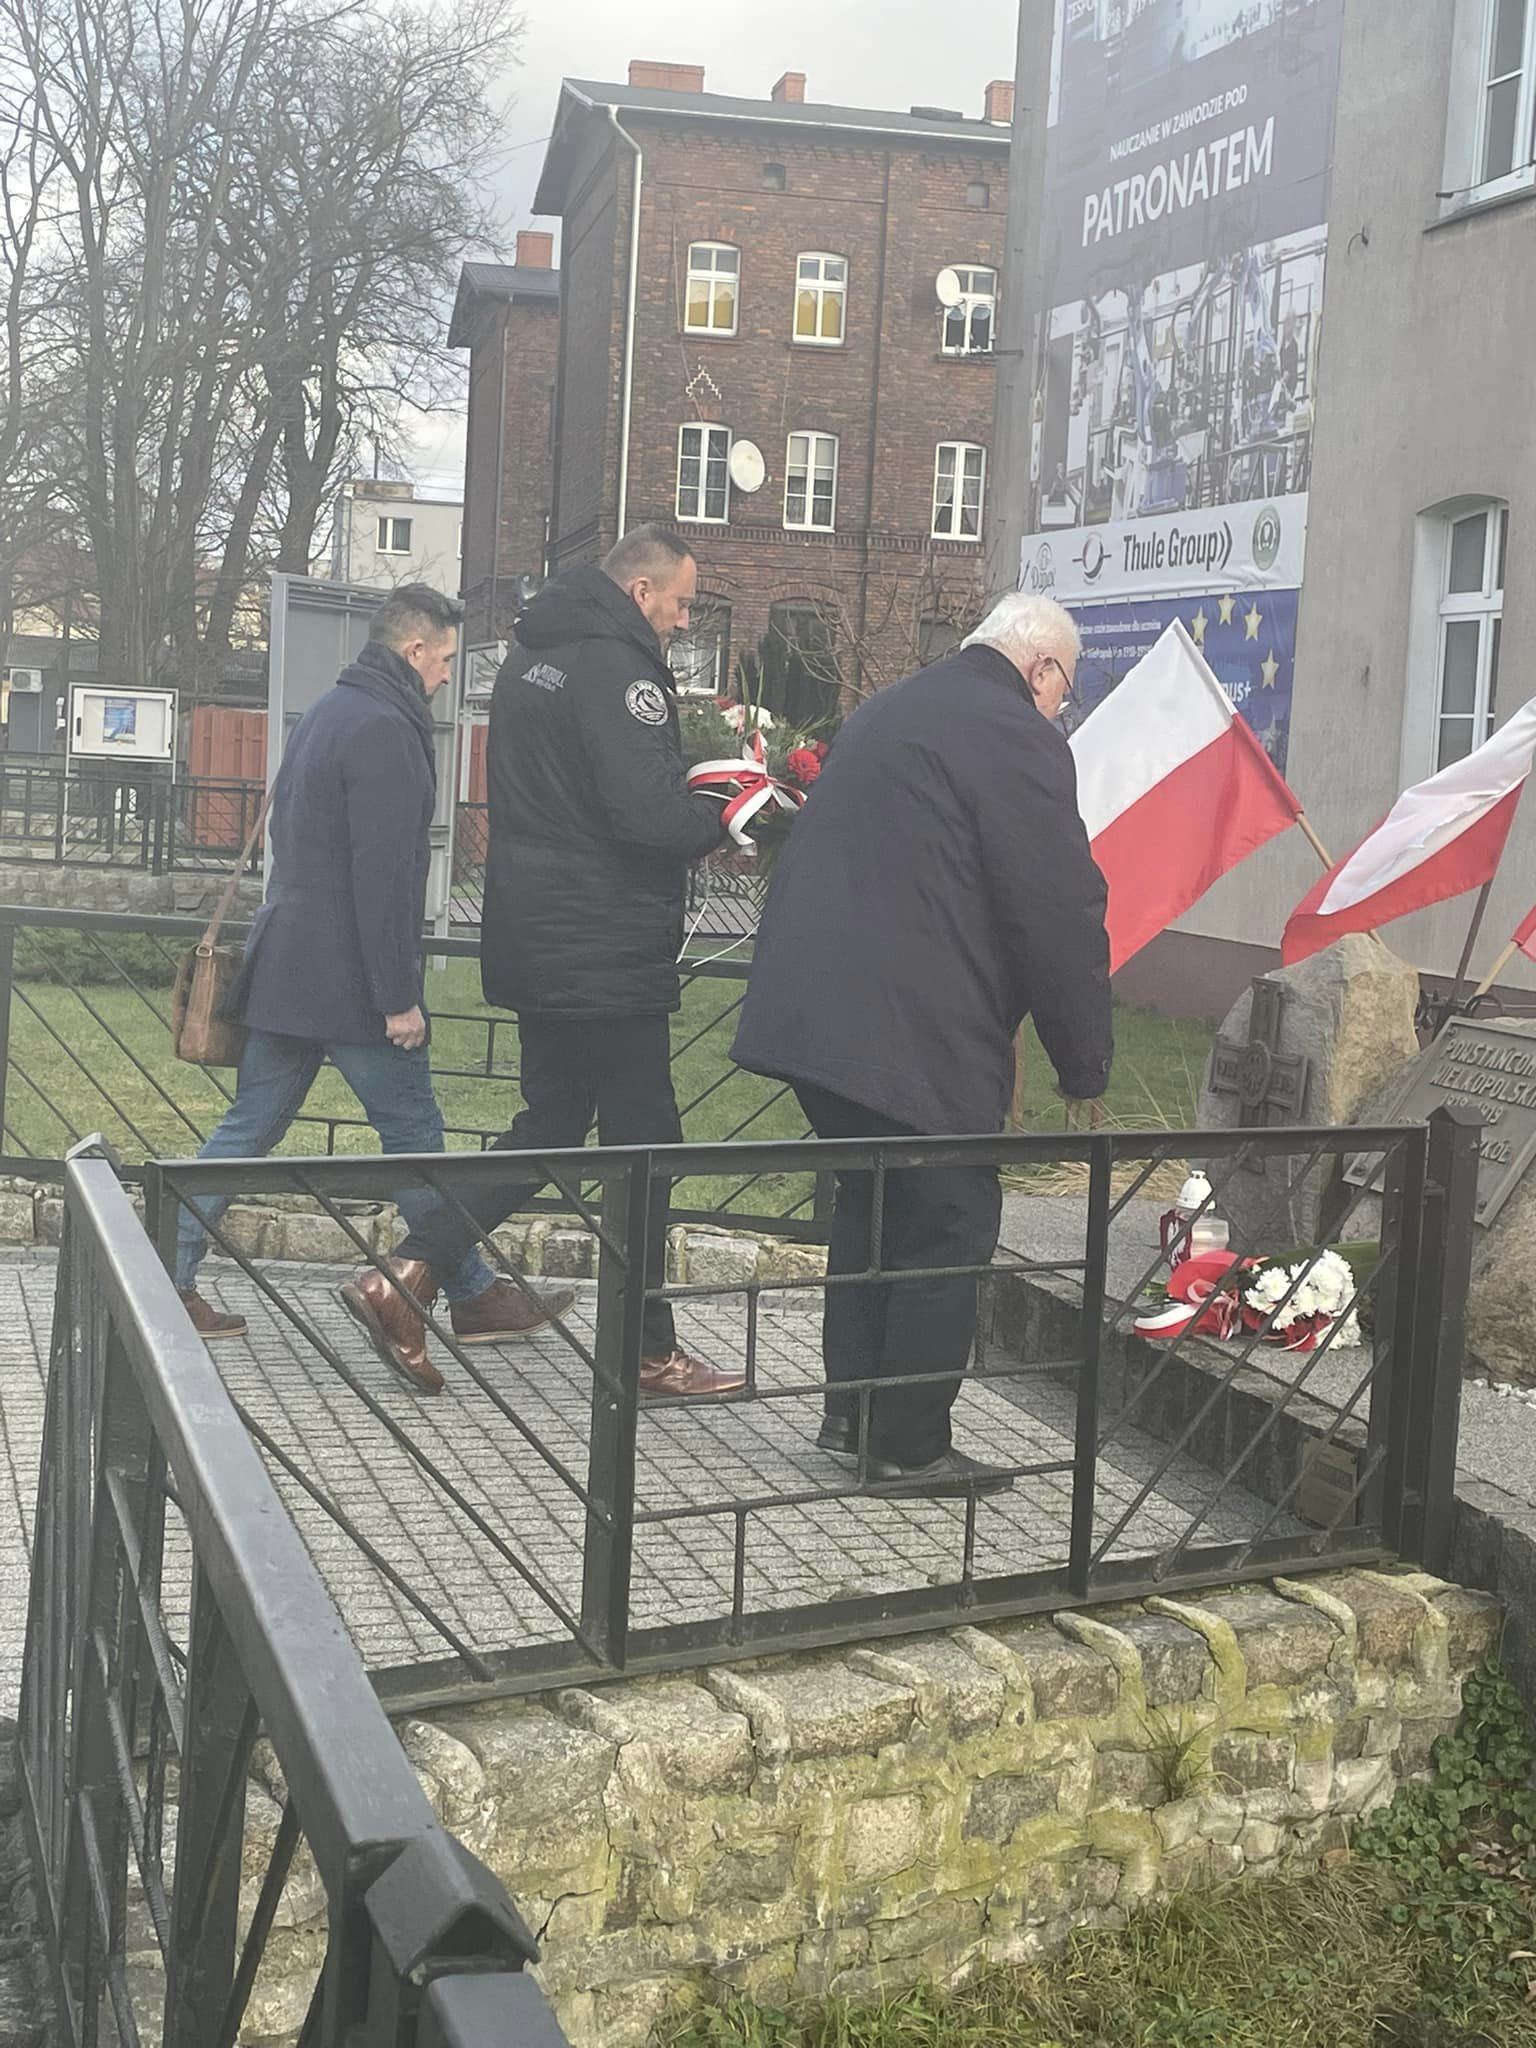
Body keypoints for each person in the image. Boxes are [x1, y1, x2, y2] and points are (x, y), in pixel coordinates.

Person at [341, 527, 745, 1399]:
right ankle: (648, 1354)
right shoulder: (619, 668)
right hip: (605, 946)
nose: (684, 621)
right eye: (680, 604)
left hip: (537, 932)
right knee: (647, 1151)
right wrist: (729, 811)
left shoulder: (531, 656)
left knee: (551, 1125)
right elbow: (645, 815)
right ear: (641, 592)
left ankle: (408, 1275)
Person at [732, 592, 1113, 1494]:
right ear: (1041, 668)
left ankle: (851, 1415)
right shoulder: (1016, 735)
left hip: (817, 1010)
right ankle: (907, 1446)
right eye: (1064, 688)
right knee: (947, 1216)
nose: (1059, 708)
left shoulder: (892, 707)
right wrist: (1083, 1061)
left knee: (870, 1209)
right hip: (913, 1025)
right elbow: (1056, 909)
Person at [174, 583, 572, 1394]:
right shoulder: (388, 728)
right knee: (415, 1137)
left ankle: (166, 1275)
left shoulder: (329, 711)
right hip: (352, 981)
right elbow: (384, 877)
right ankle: (461, 1293)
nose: (447, 676)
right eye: (446, 660)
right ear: (414, 650)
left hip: (288, 969)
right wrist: (397, 996)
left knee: (248, 1130)